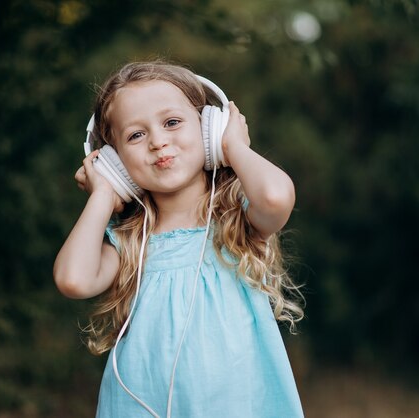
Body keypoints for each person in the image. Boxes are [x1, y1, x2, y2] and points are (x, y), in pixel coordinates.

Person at [54, 61, 304, 418]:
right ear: (117, 162)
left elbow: (277, 198)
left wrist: (233, 146)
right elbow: (73, 279)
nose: (157, 141)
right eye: (135, 135)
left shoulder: (236, 222)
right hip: (141, 405)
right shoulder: (131, 242)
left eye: (172, 122)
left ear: (208, 130)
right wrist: (103, 194)